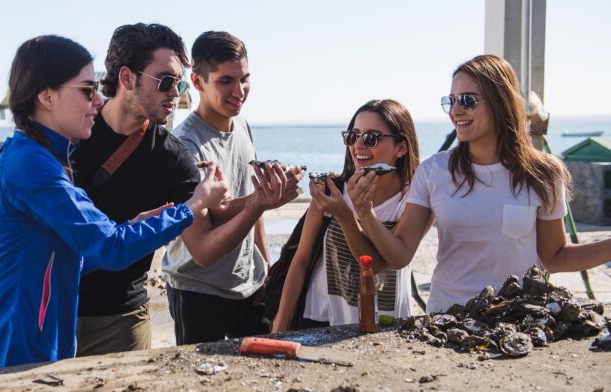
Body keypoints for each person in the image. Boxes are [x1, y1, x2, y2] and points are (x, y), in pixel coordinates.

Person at [0, 35, 227, 369]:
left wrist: (135, 226)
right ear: (46, 96)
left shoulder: (41, 157)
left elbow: (59, 257)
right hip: (14, 349)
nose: (99, 100)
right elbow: (110, 248)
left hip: (30, 343)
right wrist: (190, 207)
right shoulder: (32, 165)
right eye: (87, 90)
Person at [348, 54, 611, 314]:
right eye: (450, 101)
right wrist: (364, 212)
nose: (455, 111)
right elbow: (399, 255)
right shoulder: (433, 171)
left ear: (500, 102)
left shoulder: (544, 173)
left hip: (518, 319)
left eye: (466, 100)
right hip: (446, 322)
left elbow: (554, 256)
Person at [163, 31, 304, 345]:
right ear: (197, 82)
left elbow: (253, 208)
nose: (239, 91)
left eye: (244, 79)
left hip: (249, 283)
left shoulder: (242, 124)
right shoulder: (185, 146)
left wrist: (264, 268)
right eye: (225, 81)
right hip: (197, 290)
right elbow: (203, 250)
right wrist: (259, 201)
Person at [72, 23, 201, 356]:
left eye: (180, 82)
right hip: (49, 308)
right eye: (166, 81)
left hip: (121, 319)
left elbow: (206, 237)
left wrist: (256, 204)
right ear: (127, 78)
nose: (176, 92)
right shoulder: (72, 131)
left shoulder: (174, 159)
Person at [271, 99, 420, 332]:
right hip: (320, 316)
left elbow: (381, 263)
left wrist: (349, 216)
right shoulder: (332, 189)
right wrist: (281, 320)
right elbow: (300, 260)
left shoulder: (415, 197)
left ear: (401, 147)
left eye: (371, 138)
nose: (358, 146)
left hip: (388, 321)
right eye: (353, 136)